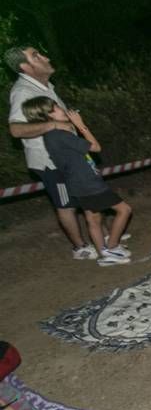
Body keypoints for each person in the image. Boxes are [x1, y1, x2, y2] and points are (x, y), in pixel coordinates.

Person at [5, 46, 95, 260]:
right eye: (36, 56)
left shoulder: (46, 86)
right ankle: (80, 247)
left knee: (88, 192)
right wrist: (52, 125)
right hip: (50, 161)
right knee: (65, 204)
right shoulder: (23, 92)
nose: (45, 57)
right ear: (25, 67)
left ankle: (99, 234)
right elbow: (15, 129)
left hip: (68, 154)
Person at [21, 97, 133, 266]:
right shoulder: (59, 135)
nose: (63, 109)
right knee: (124, 210)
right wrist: (81, 125)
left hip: (77, 183)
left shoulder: (50, 136)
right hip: (87, 183)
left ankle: (106, 254)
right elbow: (95, 147)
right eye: (57, 107)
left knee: (93, 218)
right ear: (47, 115)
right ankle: (112, 247)